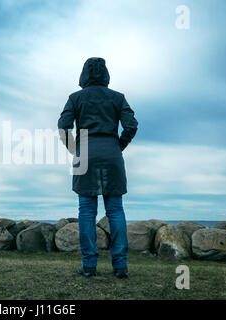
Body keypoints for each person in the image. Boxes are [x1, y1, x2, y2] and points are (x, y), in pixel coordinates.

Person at [57, 57, 138, 279]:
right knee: (115, 210)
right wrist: (119, 145)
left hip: (85, 152)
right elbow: (131, 125)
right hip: (112, 152)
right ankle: (120, 266)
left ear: (84, 74)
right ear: (106, 74)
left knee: (86, 210)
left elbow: (63, 126)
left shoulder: (75, 98)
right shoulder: (118, 98)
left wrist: (75, 150)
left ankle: (89, 265)